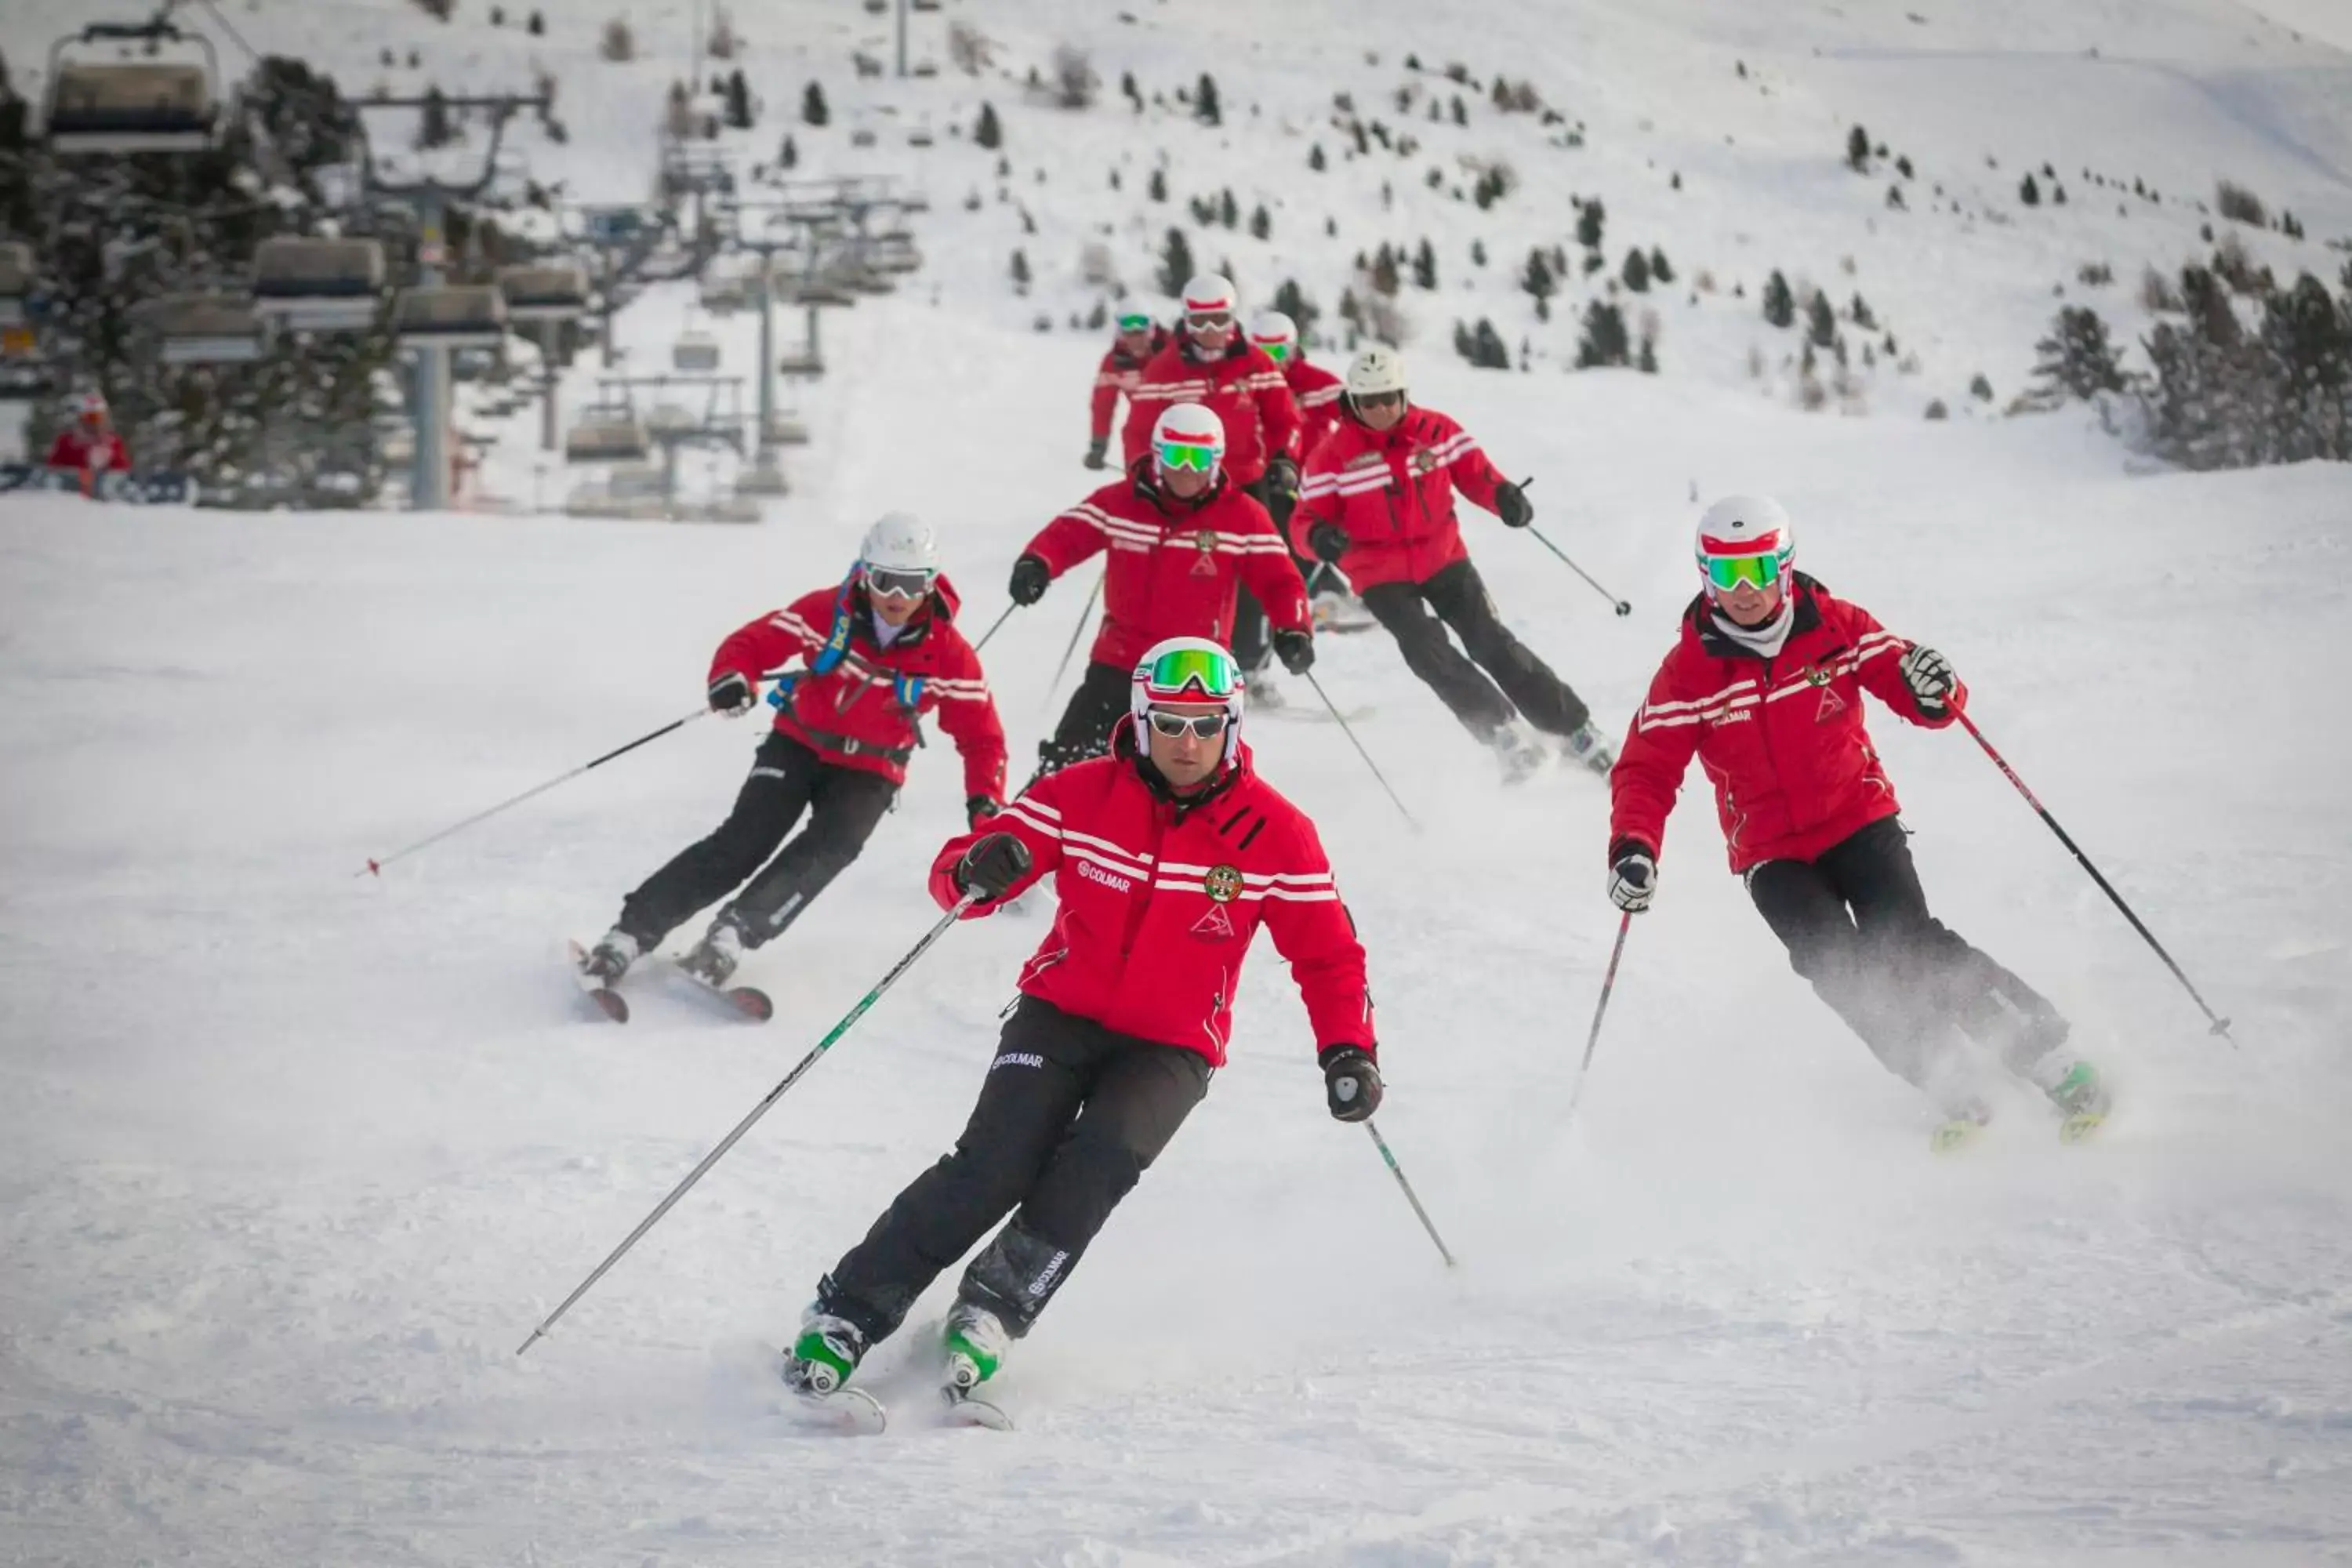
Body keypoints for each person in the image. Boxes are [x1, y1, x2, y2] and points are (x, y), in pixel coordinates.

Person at [782, 637, 1381, 1402]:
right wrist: (977, 868)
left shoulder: (1276, 833)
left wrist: (1347, 1051)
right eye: (1170, 722)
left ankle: (991, 1311)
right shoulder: (1081, 792)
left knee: (1096, 1165)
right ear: (1141, 717)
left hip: (1171, 1046)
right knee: (990, 1166)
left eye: (1206, 724)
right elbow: (968, 864)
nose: (1187, 742)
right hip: (1058, 1015)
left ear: (1233, 726)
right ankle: (846, 1313)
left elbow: (1328, 954)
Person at [1604, 495, 2109, 1144]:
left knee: (1908, 944)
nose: (1746, 591)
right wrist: (1634, 848)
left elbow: (1909, 683)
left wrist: (1936, 688)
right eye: (1728, 576)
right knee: (1838, 967)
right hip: (1770, 854)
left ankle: (2049, 1057)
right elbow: (1645, 769)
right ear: (1706, 578)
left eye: (1760, 571)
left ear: (1784, 567)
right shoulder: (1688, 675)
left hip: (1857, 817)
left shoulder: (1834, 626)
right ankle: (1945, 1075)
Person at [580, 514, 1007, 988]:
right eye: (886, 581)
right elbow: (751, 644)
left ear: (930, 583)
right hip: (798, 745)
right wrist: (733, 678)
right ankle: (630, 933)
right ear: (866, 573)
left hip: (871, 768)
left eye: (912, 585)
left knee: (831, 847)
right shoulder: (827, 612)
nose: (898, 598)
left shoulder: (949, 653)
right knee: (742, 843)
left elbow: (983, 738)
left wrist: (984, 802)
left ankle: (733, 934)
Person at [1294, 345, 1615, 782]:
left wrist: (1504, 497)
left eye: (1390, 397)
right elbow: (1305, 520)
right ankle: (1503, 735)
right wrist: (1319, 538)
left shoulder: (1435, 430)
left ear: (1404, 395)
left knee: (1491, 642)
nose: (1382, 408)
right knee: (1429, 653)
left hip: (1443, 557)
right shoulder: (1332, 456)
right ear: (1353, 403)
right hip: (1378, 573)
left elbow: (1475, 473)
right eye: (1370, 401)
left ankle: (1575, 730)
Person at [1009, 401, 1313, 782]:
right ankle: (1030, 835)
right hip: (1119, 658)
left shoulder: (1242, 516)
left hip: (1193, 672)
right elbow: (1068, 534)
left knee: (1181, 776)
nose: (1187, 470)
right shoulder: (1120, 502)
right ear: (1156, 456)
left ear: (1216, 461)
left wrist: (1293, 628)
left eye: (1198, 458)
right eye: (1176, 455)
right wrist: (1036, 563)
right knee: (1067, 764)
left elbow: (1280, 580)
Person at [1121, 275, 1301, 682]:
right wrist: (1140, 473)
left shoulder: (1256, 362)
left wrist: (1284, 459)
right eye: (1199, 322)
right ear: (1186, 320)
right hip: (1185, 489)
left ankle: (1253, 669)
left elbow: (1284, 419)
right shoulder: (1164, 368)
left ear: (1232, 318)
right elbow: (1137, 431)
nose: (1210, 332)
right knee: (1192, 574)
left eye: (1218, 320)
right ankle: (1177, 665)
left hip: (1246, 483)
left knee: (1260, 573)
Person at [1247, 309, 1373, 633]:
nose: (1271, 361)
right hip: (1265, 478)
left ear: (1292, 349)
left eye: (1278, 352)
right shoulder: (1246, 385)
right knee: (1281, 537)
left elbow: (1357, 419)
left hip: (1313, 478)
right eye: (1263, 352)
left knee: (1318, 532)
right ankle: (1318, 596)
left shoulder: (1316, 383)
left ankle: (1355, 591)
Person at [1085, 309, 1168, 471]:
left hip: (1181, 424)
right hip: (1140, 429)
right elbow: (1103, 406)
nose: (1135, 339)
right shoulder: (1114, 362)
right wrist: (1098, 446)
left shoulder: (1172, 351)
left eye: (1140, 333)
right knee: (1139, 482)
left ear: (1151, 332)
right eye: (1129, 334)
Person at [45, 391, 131, 486]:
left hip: (103, 495)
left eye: (99, 418)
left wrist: (108, 459)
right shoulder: (67, 442)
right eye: (91, 418)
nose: (96, 424)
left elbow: (123, 472)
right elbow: (53, 470)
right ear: (81, 419)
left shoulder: (113, 443)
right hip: (71, 495)